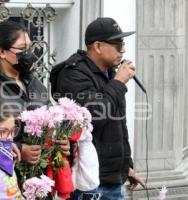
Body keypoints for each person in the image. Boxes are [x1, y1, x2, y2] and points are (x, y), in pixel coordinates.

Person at [50, 17, 145, 200]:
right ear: (98, 46)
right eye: (117, 45)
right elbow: (95, 116)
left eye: (123, 43)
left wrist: (125, 166)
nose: (123, 50)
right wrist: (118, 82)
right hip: (90, 183)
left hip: (112, 179)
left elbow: (116, 125)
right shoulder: (73, 74)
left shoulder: (110, 74)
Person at [0, 20, 70, 168]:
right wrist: (17, 149)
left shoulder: (33, 82)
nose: (29, 54)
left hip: (38, 177)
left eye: (30, 47)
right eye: (22, 49)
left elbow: (51, 117)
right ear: (1, 52)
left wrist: (60, 140)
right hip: (1, 176)